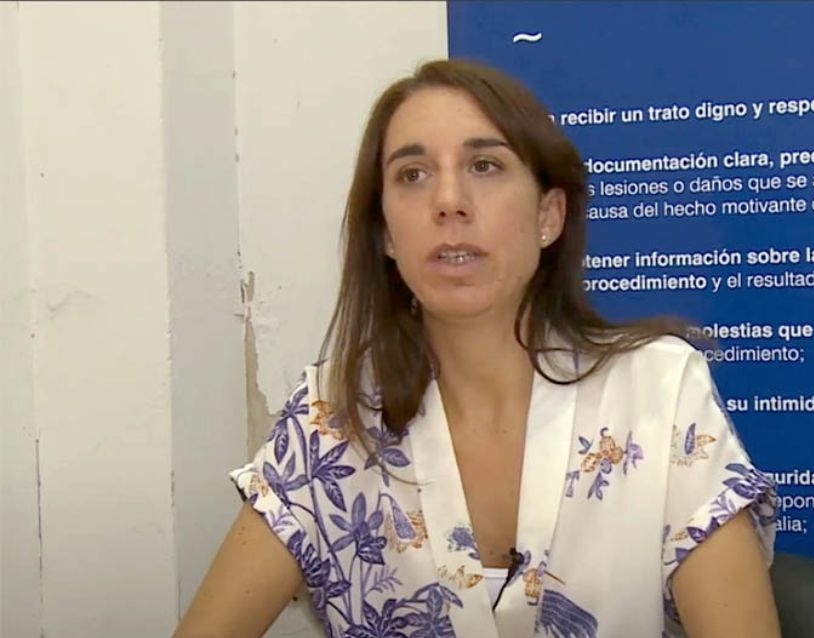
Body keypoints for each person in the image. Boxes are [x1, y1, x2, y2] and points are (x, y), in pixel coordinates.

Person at [173, 59, 780, 638]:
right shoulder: (331, 417)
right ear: (386, 234)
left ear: (548, 215)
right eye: (413, 175)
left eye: (484, 166)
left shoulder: (659, 392)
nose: (448, 200)